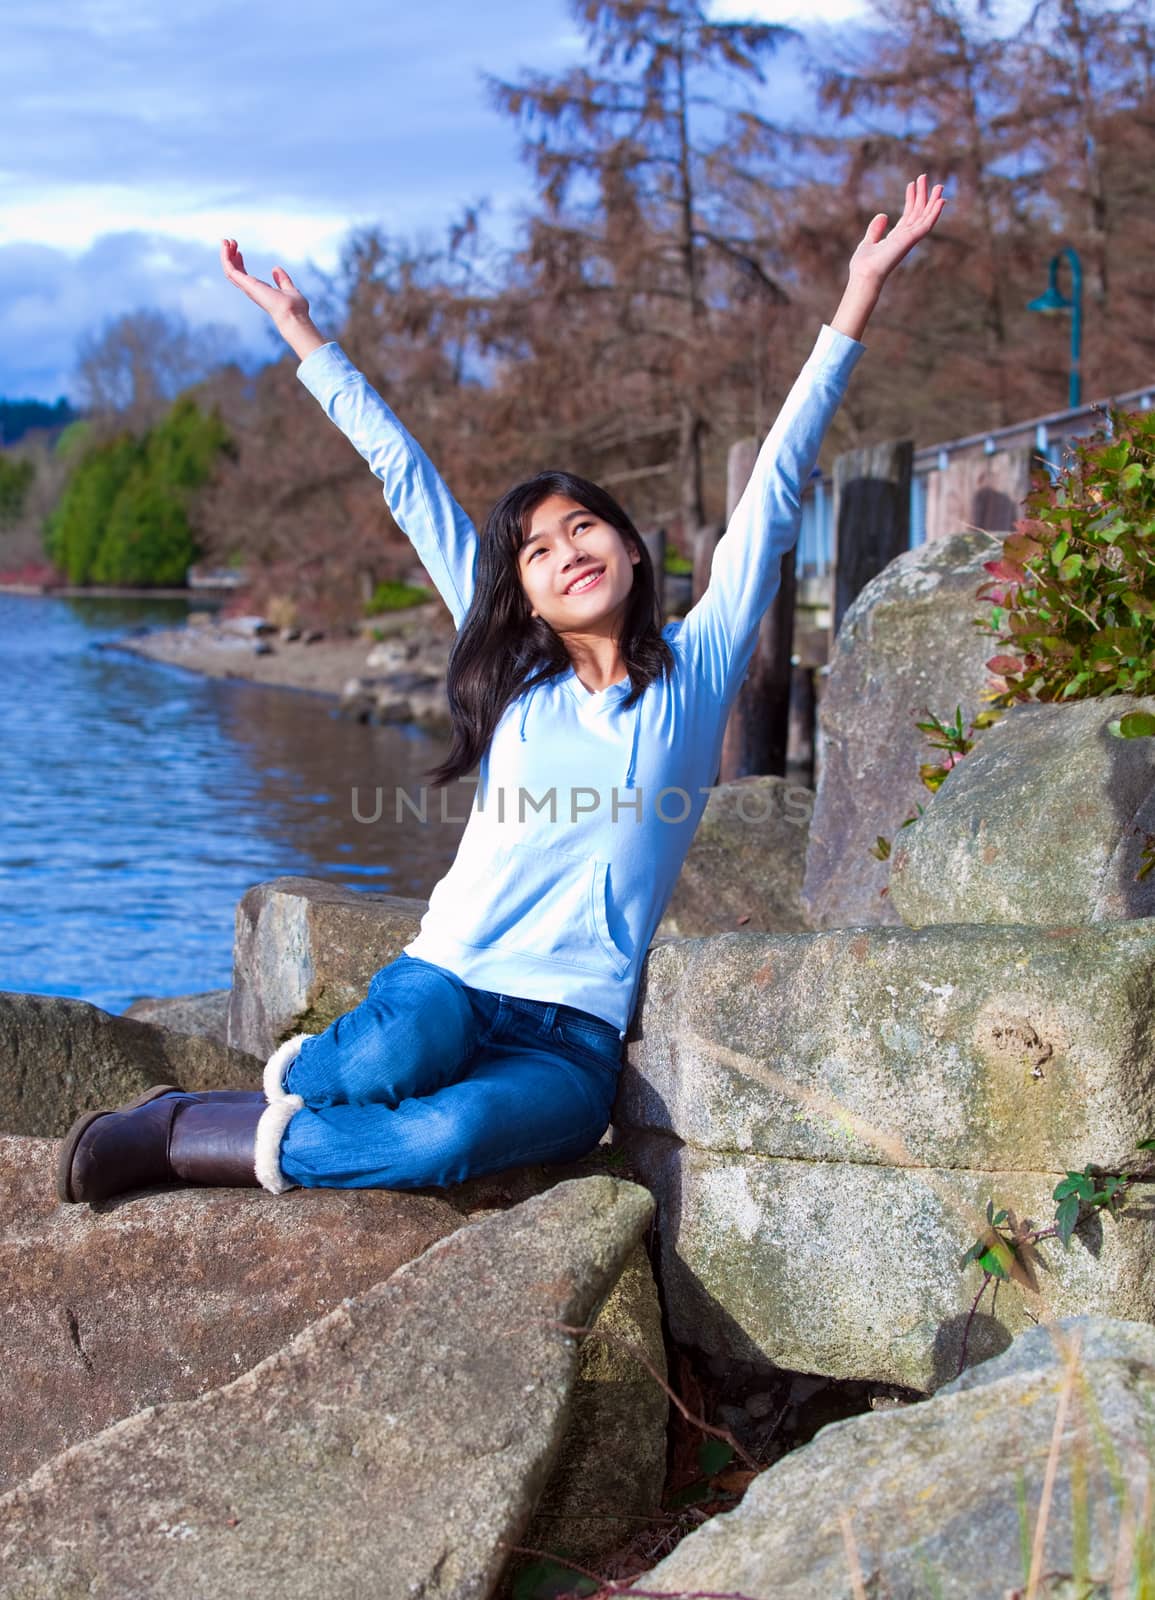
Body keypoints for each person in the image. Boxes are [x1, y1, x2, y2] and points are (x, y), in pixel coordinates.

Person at [57, 177, 946, 1206]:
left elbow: (779, 483)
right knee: (398, 1057)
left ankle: (189, 1133)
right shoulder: (520, 681)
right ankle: (303, 1080)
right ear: (514, 595)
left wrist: (857, 297)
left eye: (584, 526)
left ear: (629, 544)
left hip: (573, 1038)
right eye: (535, 549)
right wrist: (307, 340)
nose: (567, 550)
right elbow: (410, 483)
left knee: (451, 1135)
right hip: (455, 982)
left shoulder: (694, 673)